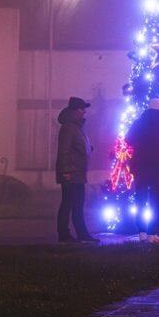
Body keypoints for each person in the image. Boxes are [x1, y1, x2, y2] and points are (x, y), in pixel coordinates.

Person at [125, 98, 159, 241]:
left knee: (140, 197)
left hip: (141, 165)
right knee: (155, 199)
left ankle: (141, 231)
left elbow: (128, 139)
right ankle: (153, 232)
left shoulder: (138, 124)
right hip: (158, 166)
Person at [56, 96, 97, 243]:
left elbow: (75, 146)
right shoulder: (69, 127)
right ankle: (66, 235)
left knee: (76, 204)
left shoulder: (77, 127)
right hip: (71, 173)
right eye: (82, 109)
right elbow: (64, 151)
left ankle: (80, 234)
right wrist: (65, 171)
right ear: (75, 110)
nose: (84, 112)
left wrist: (87, 149)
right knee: (69, 204)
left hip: (77, 172)